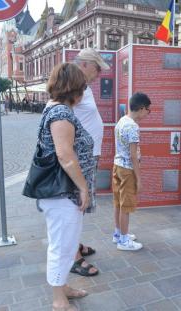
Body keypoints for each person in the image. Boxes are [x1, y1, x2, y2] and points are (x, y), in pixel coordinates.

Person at [35, 63, 92, 311]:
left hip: (61, 193)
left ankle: (63, 287)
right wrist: (83, 188)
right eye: (83, 88)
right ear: (75, 89)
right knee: (61, 245)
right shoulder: (61, 114)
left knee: (67, 243)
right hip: (63, 192)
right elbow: (65, 156)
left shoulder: (55, 109)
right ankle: (59, 300)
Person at [69, 48, 110, 277]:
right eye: (97, 69)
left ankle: (75, 245)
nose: (99, 74)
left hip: (88, 155)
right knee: (77, 204)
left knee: (80, 205)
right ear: (84, 65)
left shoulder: (83, 86)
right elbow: (63, 117)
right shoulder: (74, 86)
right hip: (81, 157)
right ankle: (73, 256)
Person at [112, 92, 151, 251]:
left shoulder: (122, 121)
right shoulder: (133, 127)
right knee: (126, 206)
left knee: (118, 203)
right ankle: (123, 240)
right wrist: (139, 179)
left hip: (117, 166)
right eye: (148, 110)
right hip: (128, 170)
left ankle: (118, 233)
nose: (148, 113)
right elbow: (134, 155)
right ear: (141, 108)